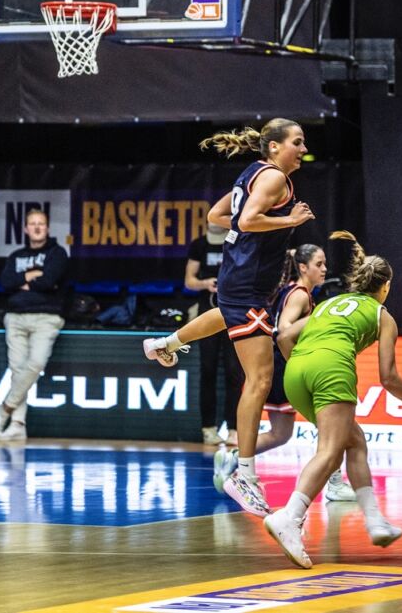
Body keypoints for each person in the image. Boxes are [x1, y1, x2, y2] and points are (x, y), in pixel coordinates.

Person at [143, 118, 316, 516]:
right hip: (249, 282)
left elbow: (217, 216)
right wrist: (288, 221)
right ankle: (244, 474)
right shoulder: (273, 178)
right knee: (260, 379)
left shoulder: (252, 172)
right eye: (297, 142)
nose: (303, 149)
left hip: (237, 277)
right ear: (274, 146)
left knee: (225, 315)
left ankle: (164, 344)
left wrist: (256, 232)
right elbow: (245, 220)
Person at [264, 231, 402, 568]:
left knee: (355, 440)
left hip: (295, 372)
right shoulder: (383, 316)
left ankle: (376, 521)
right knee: (330, 451)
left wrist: (304, 364)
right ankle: (289, 516)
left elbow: (285, 335)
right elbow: (388, 377)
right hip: (331, 369)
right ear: (385, 286)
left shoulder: (329, 303)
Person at [213, 243, 356, 501]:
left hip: (277, 365)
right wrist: (320, 317)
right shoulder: (299, 294)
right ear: (303, 267)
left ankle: (234, 457)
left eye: (324, 263)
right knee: (331, 425)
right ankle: (335, 484)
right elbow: (284, 328)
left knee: (281, 434)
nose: (324, 269)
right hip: (288, 365)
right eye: (319, 264)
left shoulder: (289, 290)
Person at [0, 208, 68, 442]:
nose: (37, 227)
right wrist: (31, 276)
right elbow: (6, 281)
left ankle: (5, 408)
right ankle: (18, 424)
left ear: (47, 228)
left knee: (35, 363)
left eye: (41, 223)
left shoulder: (57, 253)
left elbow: (49, 281)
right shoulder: (16, 255)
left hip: (46, 317)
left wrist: (24, 282)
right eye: (32, 224)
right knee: (17, 369)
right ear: (25, 229)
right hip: (15, 317)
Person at [184, 223, 243, 446]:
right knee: (207, 370)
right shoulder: (199, 245)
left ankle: (234, 428)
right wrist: (205, 283)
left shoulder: (236, 243)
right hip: (207, 312)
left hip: (232, 313)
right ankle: (208, 428)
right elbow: (189, 281)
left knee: (234, 372)